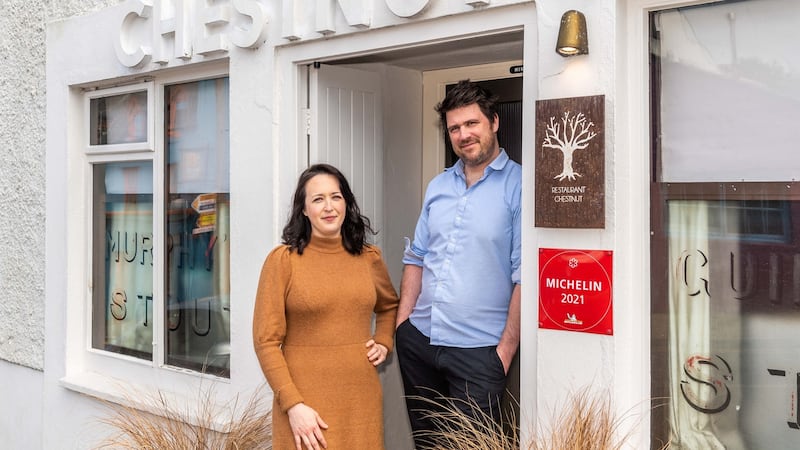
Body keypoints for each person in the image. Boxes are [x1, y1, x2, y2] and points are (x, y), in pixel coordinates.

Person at [395, 79, 522, 447]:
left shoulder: (519, 186)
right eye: (455, 128)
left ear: (494, 123)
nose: (463, 134)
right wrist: (403, 325)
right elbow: (416, 256)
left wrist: (504, 352)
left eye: (471, 124)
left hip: (479, 352)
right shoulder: (438, 186)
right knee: (428, 443)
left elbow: (526, 276)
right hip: (420, 341)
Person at [253, 163, 399, 450]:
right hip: (304, 405)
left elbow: (389, 305)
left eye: (336, 197)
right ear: (304, 209)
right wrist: (294, 406)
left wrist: (383, 340)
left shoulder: (369, 258)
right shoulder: (283, 261)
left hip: (361, 400)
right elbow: (266, 342)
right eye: (318, 199)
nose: (329, 207)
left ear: (346, 202)